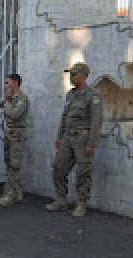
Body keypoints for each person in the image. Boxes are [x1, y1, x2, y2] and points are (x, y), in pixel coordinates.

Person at [47, 63, 103, 217]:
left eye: (74, 74)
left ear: (84, 76)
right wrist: (59, 136)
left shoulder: (93, 96)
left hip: (83, 138)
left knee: (83, 172)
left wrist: (92, 143)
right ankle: (61, 199)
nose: (71, 77)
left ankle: (81, 203)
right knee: (58, 167)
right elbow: (65, 117)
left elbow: (96, 121)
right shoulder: (70, 95)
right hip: (67, 137)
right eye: (70, 74)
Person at [0, 74, 30, 206]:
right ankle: (17, 193)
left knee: (14, 165)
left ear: (14, 83)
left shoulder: (22, 99)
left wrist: (7, 102)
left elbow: (14, 114)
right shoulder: (9, 98)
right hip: (9, 135)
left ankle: (10, 194)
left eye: (7, 83)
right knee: (9, 164)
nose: (5, 86)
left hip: (17, 136)